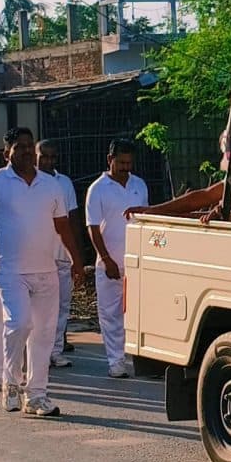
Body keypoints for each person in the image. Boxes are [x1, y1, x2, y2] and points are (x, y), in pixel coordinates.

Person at [0, 134, 82, 417]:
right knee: (19, 323)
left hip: (46, 270)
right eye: (18, 147)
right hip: (9, 271)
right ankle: (11, 383)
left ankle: (36, 395)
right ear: (6, 152)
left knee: (44, 334)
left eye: (28, 147)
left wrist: (76, 259)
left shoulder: (51, 185)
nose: (25, 152)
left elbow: (63, 225)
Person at [84, 139, 150, 378]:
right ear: (109, 160)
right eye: (121, 162)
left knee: (139, 313)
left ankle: (142, 360)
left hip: (137, 262)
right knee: (110, 315)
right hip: (109, 264)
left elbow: (145, 220)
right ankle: (116, 362)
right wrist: (106, 259)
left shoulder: (139, 184)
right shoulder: (97, 189)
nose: (125, 167)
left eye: (129, 163)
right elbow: (92, 227)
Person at [34, 139, 79, 367]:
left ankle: (55, 351)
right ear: (35, 156)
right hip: (35, 255)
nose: (48, 161)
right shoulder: (28, 182)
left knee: (61, 305)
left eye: (52, 157)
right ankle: (36, 353)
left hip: (61, 254)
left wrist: (76, 256)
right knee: (37, 308)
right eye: (44, 157)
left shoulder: (64, 183)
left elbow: (72, 218)